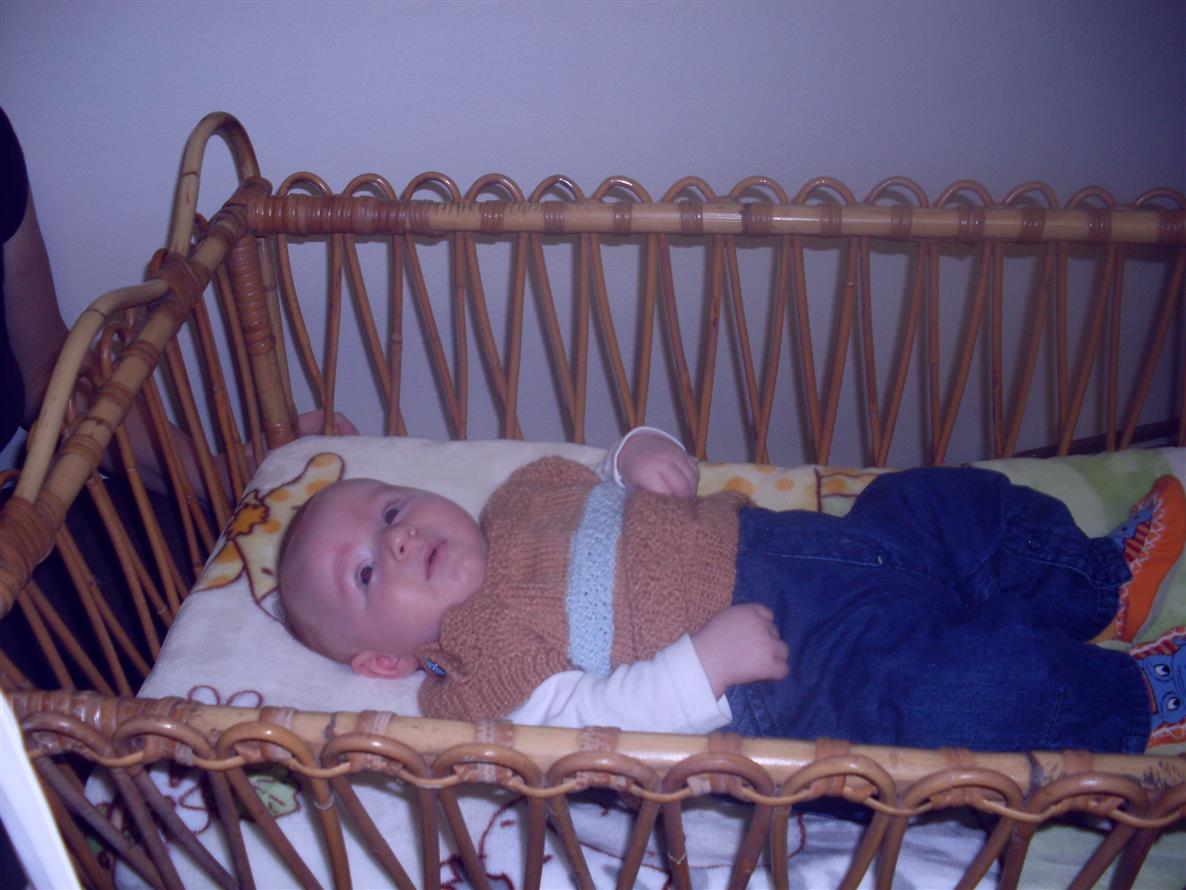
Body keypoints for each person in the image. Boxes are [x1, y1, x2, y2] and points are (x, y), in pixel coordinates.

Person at [278, 427, 1186, 753]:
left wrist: (640, 452)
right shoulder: (479, 674)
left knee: (936, 502)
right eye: (366, 571)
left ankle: (1097, 584)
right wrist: (700, 668)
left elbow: (607, 468)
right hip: (793, 664)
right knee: (944, 692)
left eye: (390, 509)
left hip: (806, 540)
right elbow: (590, 725)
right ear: (382, 660)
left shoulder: (523, 495)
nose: (398, 538)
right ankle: (1132, 700)